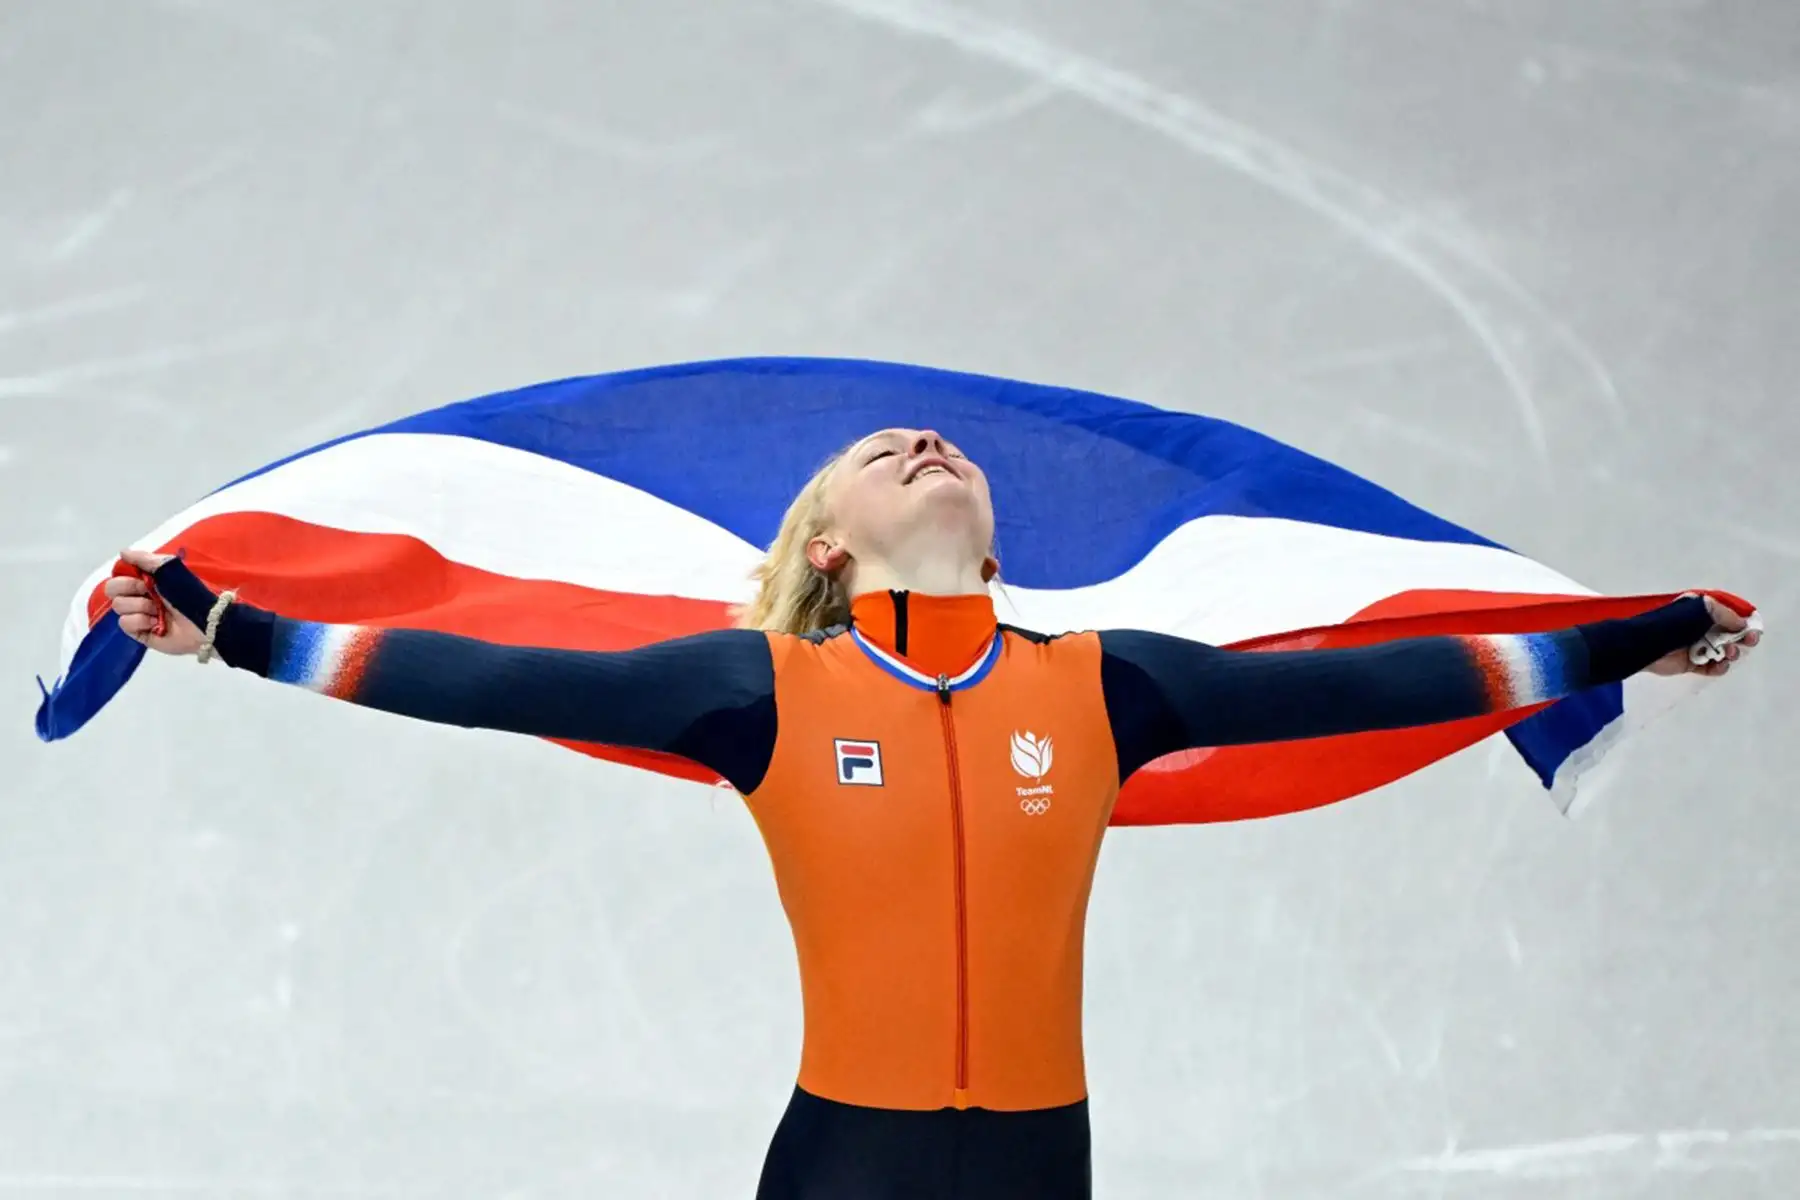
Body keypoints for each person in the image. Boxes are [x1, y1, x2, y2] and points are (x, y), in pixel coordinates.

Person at [108, 428, 1756, 1199]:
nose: (917, 443)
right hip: (849, 1166)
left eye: (934, 448)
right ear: (825, 545)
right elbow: (479, 675)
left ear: (990, 531)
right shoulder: (759, 690)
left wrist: (1636, 635)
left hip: (1043, 1166)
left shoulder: (1107, 686)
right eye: (873, 457)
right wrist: (230, 630)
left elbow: (1391, 682)